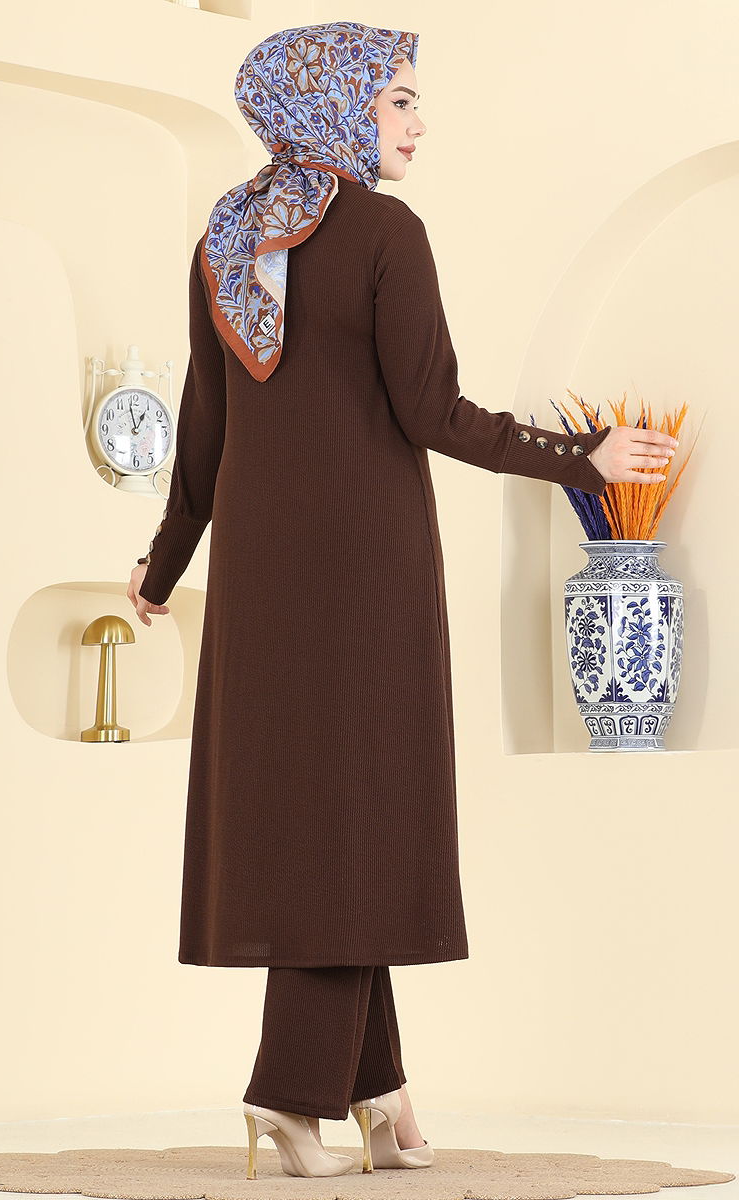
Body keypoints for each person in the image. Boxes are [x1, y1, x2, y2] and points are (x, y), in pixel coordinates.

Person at [126, 21, 677, 1181]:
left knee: (338, 814)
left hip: (263, 581)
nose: (418, 124)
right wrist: (579, 459)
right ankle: (288, 1099)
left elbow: (203, 434)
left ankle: (380, 1096)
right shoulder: (384, 233)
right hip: (364, 576)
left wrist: (162, 565)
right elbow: (434, 412)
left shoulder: (225, 239)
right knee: (354, 822)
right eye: (398, 101)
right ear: (336, 105)